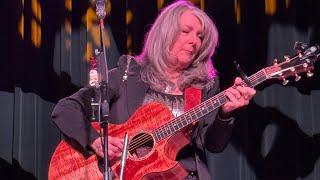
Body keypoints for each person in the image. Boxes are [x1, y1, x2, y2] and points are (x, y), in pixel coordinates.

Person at [51, 0, 256, 179]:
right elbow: (66, 108)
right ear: (165, 33)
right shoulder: (127, 74)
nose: (194, 41)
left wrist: (226, 113)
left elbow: (214, 145)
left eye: (200, 36)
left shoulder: (205, 87)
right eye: (186, 32)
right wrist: (95, 140)